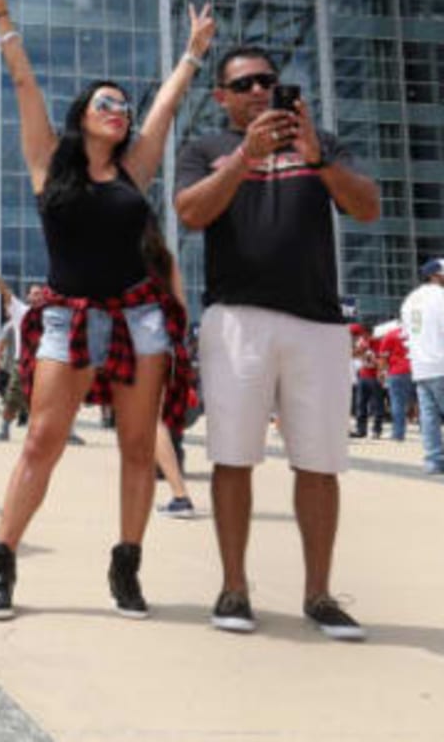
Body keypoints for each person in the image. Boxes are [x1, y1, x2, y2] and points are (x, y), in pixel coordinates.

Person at [0, 0, 213, 622]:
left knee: (138, 448)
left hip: (139, 317)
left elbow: (163, 110)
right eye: (106, 103)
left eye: (123, 105)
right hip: (68, 318)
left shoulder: (135, 170)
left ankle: (126, 565)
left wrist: (192, 56)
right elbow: (23, 81)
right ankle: (1, 560)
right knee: (41, 441)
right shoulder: (49, 163)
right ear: (84, 115)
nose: (120, 111)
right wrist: (1, 17)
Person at [175, 44, 380, 640]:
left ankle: (319, 594)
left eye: (268, 82)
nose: (260, 92)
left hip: (317, 323)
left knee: (320, 463)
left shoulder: (321, 144)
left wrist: (317, 158)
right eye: (244, 85)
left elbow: (366, 208)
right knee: (233, 456)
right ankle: (234, 589)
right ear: (222, 97)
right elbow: (190, 212)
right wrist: (245, 156)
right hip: (237, 319)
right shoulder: (205, 150)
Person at [0, 259, 43, 443]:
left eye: (40, 294)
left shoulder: (50, 315)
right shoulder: (20, 311)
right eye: (34, 294)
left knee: (42, 402)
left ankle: (42, 435)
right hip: (22, 363)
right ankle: (4, 430)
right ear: (28, 297)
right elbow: (5, 291)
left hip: (43, 364)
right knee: (11, 398)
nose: (37, 296)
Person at [400, 259, 444, 474]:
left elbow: (406, 336)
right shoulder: (440, 297)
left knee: (429, 417)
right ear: (436, 275)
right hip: (441, 363)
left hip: (420, 366)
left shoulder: (410, 300)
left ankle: (433, 461)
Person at [373, 319, 414, 444]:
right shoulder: (416, 333)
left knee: (397, 403)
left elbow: (383, 356)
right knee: (423, 403)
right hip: (416, 370)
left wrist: (380, 372)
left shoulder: (391, 334)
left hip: (397, 371)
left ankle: (398, 434)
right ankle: (428, 432)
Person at [350, 325, 384, 439]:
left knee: (377, 405)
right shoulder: (362, 343)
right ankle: (361, 430)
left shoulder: (378, 343)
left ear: (369, 333)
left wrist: (380, 373)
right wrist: (359, 350)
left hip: (374, 377)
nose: (362, 337)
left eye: (363, 334)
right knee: (360, 405)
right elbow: (353, 355)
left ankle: (376, 430)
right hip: (363, 376)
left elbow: (381, 360)